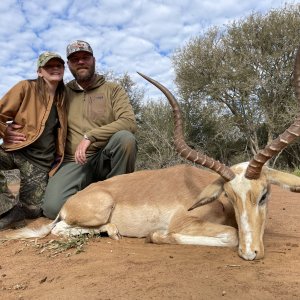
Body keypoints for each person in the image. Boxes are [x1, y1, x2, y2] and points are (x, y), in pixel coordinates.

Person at [41, 40, 137, 219]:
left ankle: (119, 200)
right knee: (53, 209)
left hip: (105, 157)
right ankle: (90, 193)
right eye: (75, 59)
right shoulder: (60, 93)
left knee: (126, 139)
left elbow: (129, 122)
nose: (81, 62)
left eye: (85, 57)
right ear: (69, 65)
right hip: (74, 161)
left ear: (93, 60)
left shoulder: (113, 90)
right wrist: (10, 130)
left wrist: (90, 136)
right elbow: (37, 118)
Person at [0, 52, 67, 229]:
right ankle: (8, 209)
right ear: (39, 72)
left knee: (35, 210)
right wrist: (4, 129)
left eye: (58, 66)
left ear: (63, 70)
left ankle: (15, 210)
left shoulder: (66, 97)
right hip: (13, 151)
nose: (54, 68)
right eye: (48, 66)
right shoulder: (25, 87)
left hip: (38, 164)